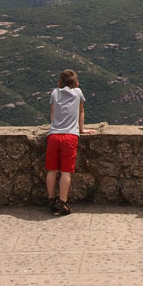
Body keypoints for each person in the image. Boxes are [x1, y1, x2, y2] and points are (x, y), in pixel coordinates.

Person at [45, 69, 95, 215]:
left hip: (54, 135)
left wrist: (54, 126)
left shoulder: (55, 93)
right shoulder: (78, 93)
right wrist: (82, 129)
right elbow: (81, 111)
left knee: (52, 170)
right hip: (70, 136)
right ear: (77, 83)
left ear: (59, 83)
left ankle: (50, 199)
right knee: (66, 171)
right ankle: (63, 201)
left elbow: (53, 113)